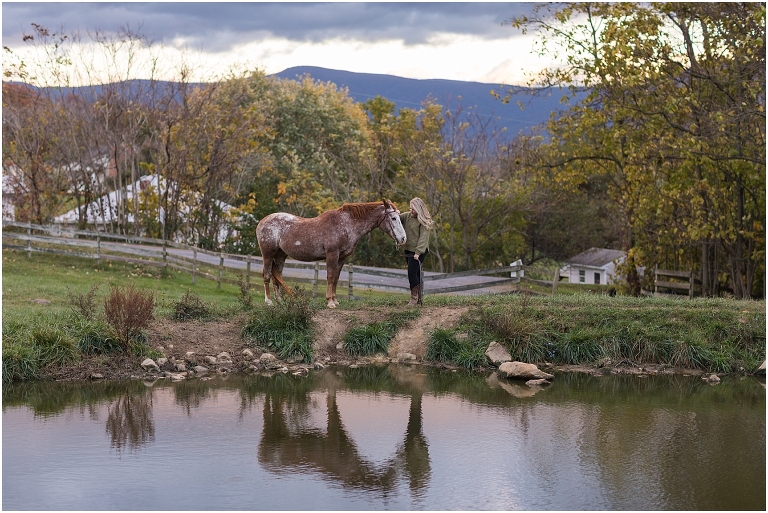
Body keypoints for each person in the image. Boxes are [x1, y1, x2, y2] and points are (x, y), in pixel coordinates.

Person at [397, 197, 434, 306]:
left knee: (411, 273)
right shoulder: (408, 216)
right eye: (410, 208)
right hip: (408, 249)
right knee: (416, 273)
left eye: (413, 209)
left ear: (418, 209)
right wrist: (395, 212)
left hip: (419, 251)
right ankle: (418, 298)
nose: (411, 211)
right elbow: (397, 218)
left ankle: (414, 298)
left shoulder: (423, 221)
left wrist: (418, 253)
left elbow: (423, 239)